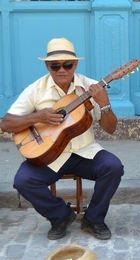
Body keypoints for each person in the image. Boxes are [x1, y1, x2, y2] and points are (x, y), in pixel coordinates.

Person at [0, 38, 124, 239]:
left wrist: (105, 103)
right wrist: (38, 117)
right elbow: (6, 123)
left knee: (114, 167)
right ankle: (60, 216)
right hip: (49, 156)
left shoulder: (91, 87)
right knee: (23, 181)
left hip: (85, 152)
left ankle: (94, 218)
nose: (61, 70)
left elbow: (111, 129)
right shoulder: (36, 89)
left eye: (67, 64)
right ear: (47, 65)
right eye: (54, 65)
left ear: (75, 64)